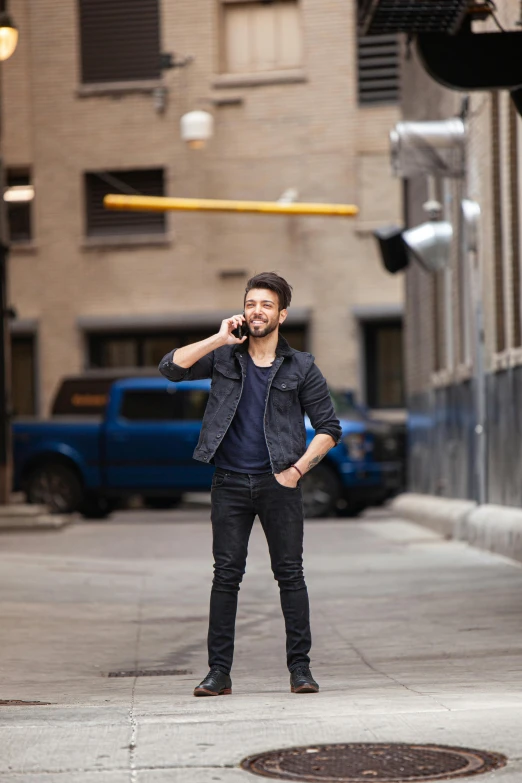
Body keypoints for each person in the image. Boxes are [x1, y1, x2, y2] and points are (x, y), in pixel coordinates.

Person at [158, 272, 341, 696]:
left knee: (290, 576)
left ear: (282, 315)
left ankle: (300, 669)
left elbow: (329, 427)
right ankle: (218, 673)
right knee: (226, 576)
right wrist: (219, 338)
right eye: (251, 303)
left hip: (280, 483)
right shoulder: (225, 357)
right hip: (230, 483)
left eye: (266, 305)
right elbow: (170, 368)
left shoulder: (302, 367)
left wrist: (296, 471)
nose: (257, 311)